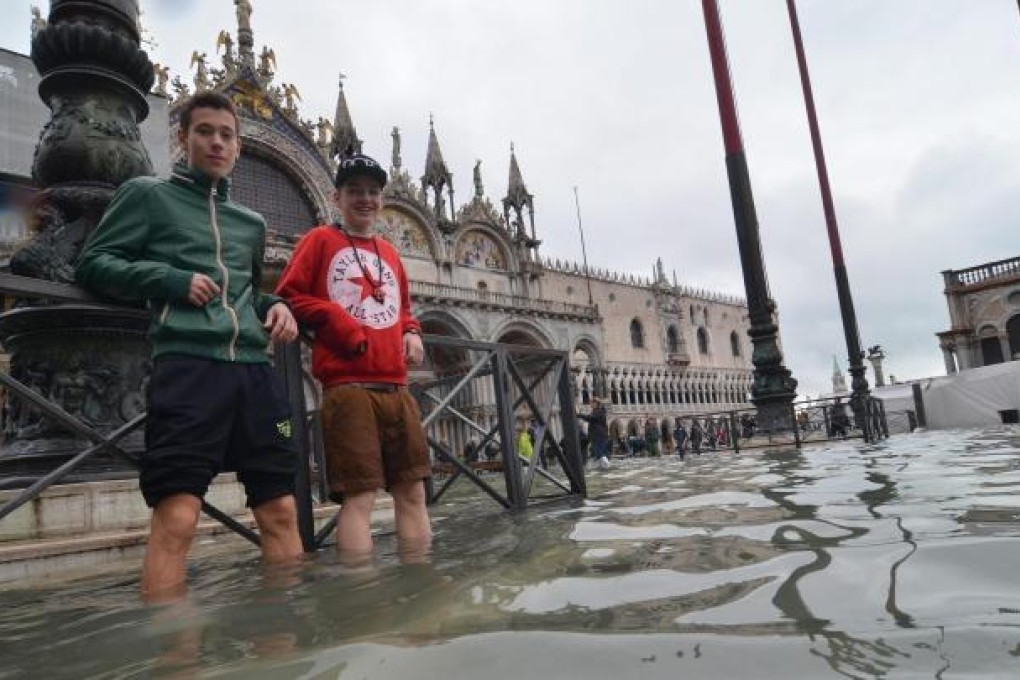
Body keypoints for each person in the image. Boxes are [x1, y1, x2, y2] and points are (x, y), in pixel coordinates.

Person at [75, 91, 302, 599]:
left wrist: (278, 306)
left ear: (239, 147)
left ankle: (287, 645)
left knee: (281, 511)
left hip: (254, 372)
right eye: (205, 132)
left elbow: (243, 292)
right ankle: (176, 663)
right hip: (188, 367)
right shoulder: (147, 194)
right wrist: (170, 279)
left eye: (227, 134)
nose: (217, 142)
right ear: (184, 138)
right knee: (178, 516)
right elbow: (94, 263)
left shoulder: (251, 223)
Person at [275, 152, 430, 560]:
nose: (366, 199)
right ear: (337, 197)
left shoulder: (391, 254)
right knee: (359, 498)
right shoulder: (319, 241)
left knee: (413, 492)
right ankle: (363, 606)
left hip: (397, 387)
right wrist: (335, 318)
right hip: (349, 387)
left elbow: (404, 310)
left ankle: (423, 591)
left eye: (373, 192)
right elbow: (289, 296)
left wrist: (412, 332)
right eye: (355, 191)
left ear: (382, 199)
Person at [578, 397, 610, 469]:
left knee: (599, 452)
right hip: (596, 435)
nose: (591, 404)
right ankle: (602, 466)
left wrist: (579, 415)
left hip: (600, 435)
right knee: (597, 452)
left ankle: (606, 466)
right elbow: (590, 418)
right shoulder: (596, 411)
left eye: (592, 403)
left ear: (596, 404)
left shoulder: (599, 411)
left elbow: (590, 418)